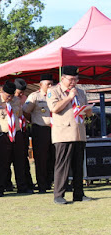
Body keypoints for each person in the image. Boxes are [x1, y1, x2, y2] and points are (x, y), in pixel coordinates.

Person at [47, 66, 92, 204]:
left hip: (79, 132)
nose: (73, 82)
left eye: (76, 79)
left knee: (78, 165)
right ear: (63, 78)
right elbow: (54, 108)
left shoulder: (80, 92)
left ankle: (79, 194)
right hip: (63, 134)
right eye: (71, 79)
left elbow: (86, 110)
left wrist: (87, 110)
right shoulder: (53, 91)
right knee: (62, 165)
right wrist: (69, 97)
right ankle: (59, 195)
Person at [0, 81, 32, 197]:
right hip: (2, 136)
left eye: (12, 96)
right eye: (8, 96)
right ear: (2, 92)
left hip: (17, 134)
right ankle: (0, 189)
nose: (10, 98)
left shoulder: (16, 101)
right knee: (2, 164)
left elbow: (19, 114)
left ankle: (22, 187)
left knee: (20, 161)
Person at [23, 73, 55, 193]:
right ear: (41, 85)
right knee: (41, 158)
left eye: (52, 83)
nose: (51, 86)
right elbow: (25, 111)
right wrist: (33, 120)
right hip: (40, 129)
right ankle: (42, 185)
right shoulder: (34, 96)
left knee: (55, 157)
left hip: (55, 129)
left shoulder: (55, 95)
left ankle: (54, 182)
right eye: (48, 84)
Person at [14, 78, 34, 190]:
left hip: (24, 131)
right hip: (13, 132)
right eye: (18, 92)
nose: (20, 95)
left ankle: (27, 182)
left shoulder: (25, 99)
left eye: (22, 93)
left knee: (24, 158)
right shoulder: (10, 100)